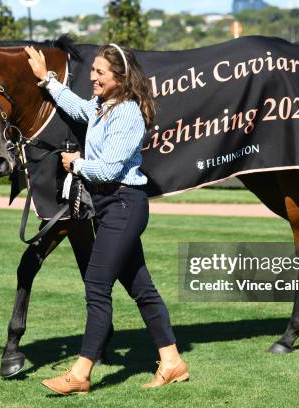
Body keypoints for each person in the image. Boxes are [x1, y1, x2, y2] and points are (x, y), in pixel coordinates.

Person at [25, 44, 188, 395]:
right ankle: (172, 361)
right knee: (141, 289)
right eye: (93, 70)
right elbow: (78, 107)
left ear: (120, 78)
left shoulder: (127, 113)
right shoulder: (102, 107)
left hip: (124, 203)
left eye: (100, 72)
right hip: (112, 206)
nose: (93, 77)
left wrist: (77, 164)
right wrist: (47, 81)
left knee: (97, 287)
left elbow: (111, 168)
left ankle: (80, 374)